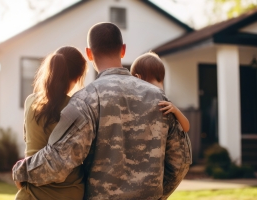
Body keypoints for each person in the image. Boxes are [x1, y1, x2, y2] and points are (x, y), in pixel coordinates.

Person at [13, 22, 192, 200]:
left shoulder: (86, 100)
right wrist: (159, 193)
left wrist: (22, 171)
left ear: (89, 54)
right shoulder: (159, 98)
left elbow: (60, 160)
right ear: (123, 50)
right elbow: (181, 160)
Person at [14, 46, 87, 200]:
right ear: (79, 76)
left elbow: (30, 143)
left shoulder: (30, 102)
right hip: (68, 195)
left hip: (30, 194)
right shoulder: (77, 109)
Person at [130, 52, 190, 133]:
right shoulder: (166, 103)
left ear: (138, 78)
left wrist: (176, 110)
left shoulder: (166, 105)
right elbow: (186, 128)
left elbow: (186, 127)